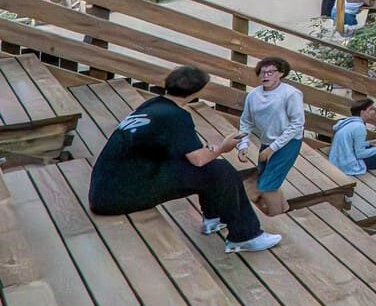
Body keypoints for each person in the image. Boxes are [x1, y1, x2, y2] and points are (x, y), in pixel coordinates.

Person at [87, 65, 282, 253]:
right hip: (119, 196)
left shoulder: (152, 105)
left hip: (105, 189)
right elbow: (198, 160)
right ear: (196, 92)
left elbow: (186, 152)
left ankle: (214, 218)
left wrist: (210, 152)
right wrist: (224, 146)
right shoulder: (177, 116)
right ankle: (246, 236)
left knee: (212, 169)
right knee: (220, 170)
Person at [238, 57, 305, 217]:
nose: (265, 76)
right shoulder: (253, 95)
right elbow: (245, 121)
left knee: (266, 185)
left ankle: (277, 219)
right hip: (266, 141)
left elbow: (297, 124)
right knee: (269, 178)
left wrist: (272, 149)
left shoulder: (291, 94)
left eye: (270, 72)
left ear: (280, 73)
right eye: (262, 72)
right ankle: (285, 209)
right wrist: (243, 144)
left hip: (289, 142)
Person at [330, 97, 376, 176]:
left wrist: (370, 143)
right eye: (370, 109)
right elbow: (360, 154)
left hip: (338, 161)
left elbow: (351, 144)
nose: (374, 112)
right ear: (362, 112)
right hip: (349, 166)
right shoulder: (359, 127)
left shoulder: (348, 122)